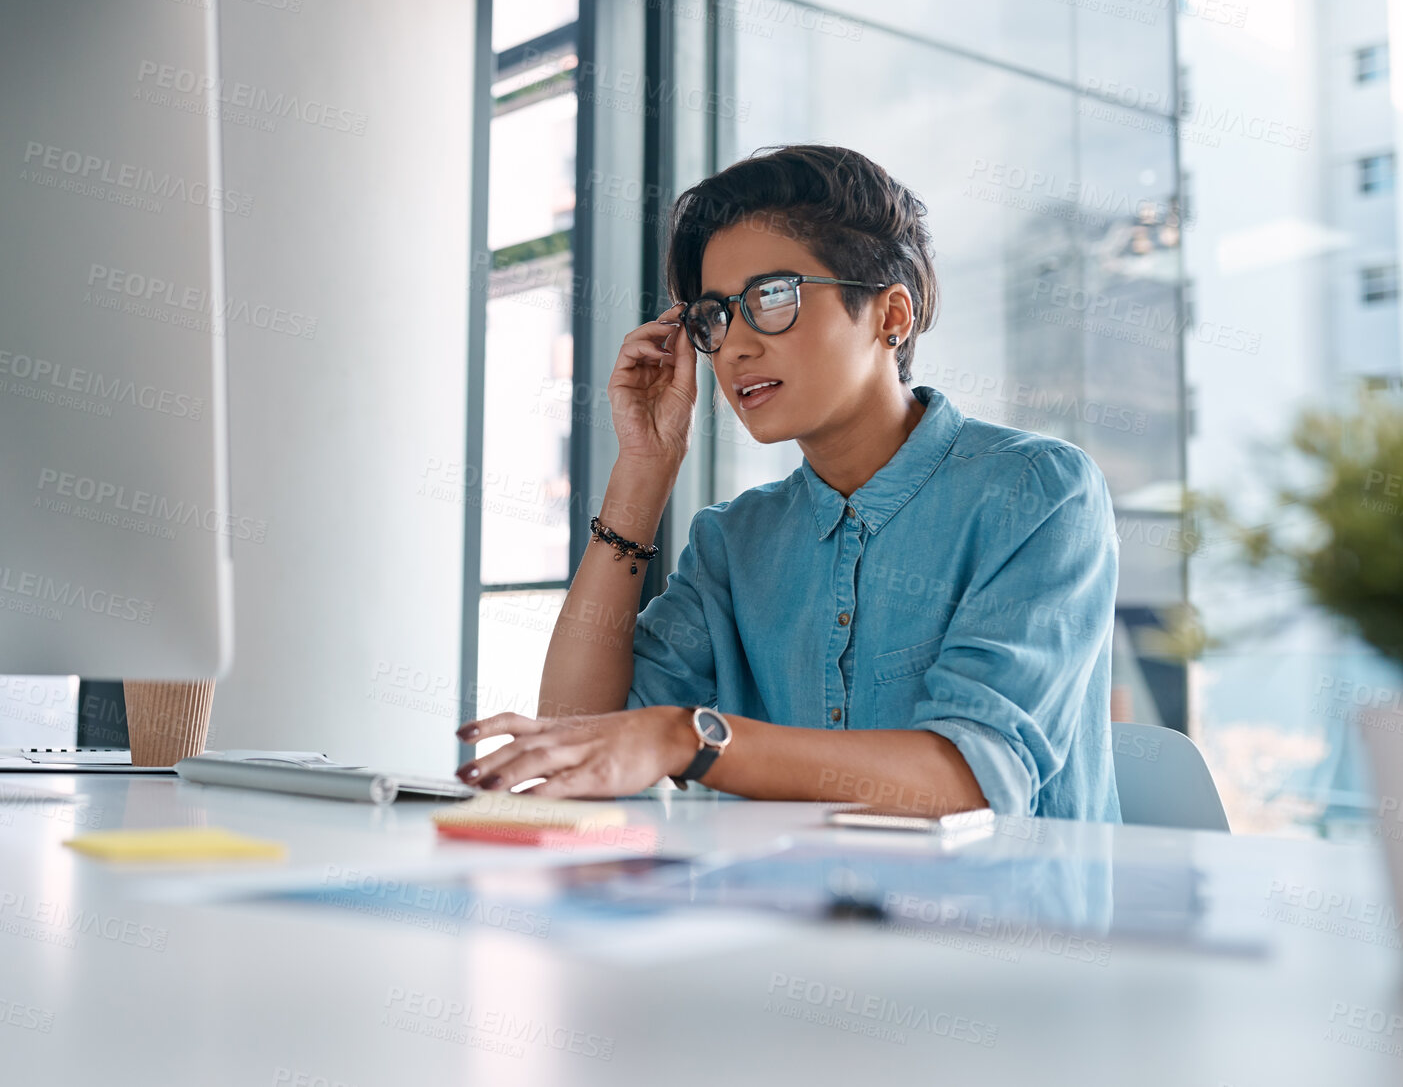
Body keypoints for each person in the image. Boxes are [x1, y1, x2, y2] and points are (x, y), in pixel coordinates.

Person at [455, 144, 1121, 820]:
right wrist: (642, 472)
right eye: (715, 315)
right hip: (786, 914)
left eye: (772, 298)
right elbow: (578, 734)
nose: (736, 345)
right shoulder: (734, 541)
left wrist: (688, 739)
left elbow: (974, 776)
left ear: (891, 316)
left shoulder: (1037, 492)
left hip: (1004, 920)